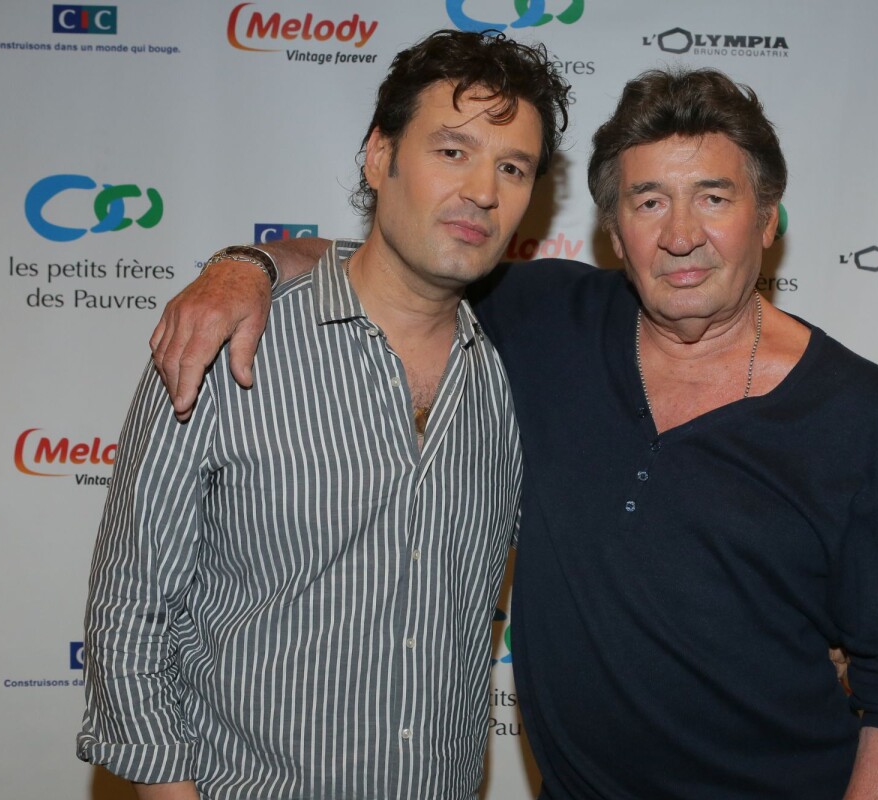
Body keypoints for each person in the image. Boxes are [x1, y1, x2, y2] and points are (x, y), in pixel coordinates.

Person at [149, 69, 878, 799]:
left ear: (769, 218)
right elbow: (393, 261)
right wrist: (243, 267)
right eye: (648, 202)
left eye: (714, 197)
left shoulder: (856, 409)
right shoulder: (544, 319)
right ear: (613, 229)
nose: (680, 234)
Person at [78, 30, 569, 800]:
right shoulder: (234, 337)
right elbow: (132, 603)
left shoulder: (521, 371)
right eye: (452, 151)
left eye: (512, 168)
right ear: (380, 157)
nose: (482, 190)